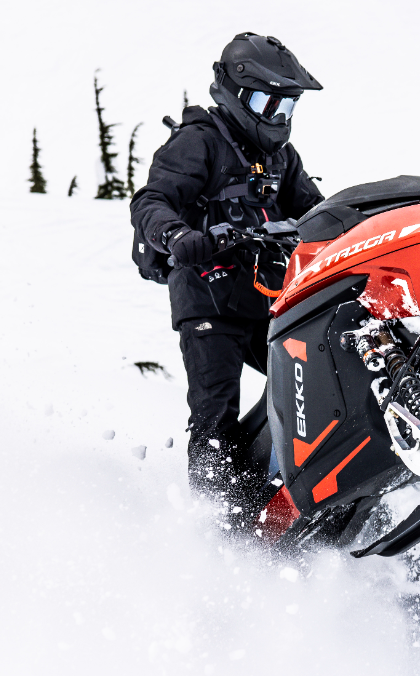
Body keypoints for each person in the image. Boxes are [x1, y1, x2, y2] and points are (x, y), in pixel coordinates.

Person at [130, 32, 324, 502]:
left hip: (266, 298)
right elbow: (151, 201)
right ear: (236, 95)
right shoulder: (198, 141)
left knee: (315, 381)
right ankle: (213, 523)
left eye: (286, 107)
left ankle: (310, 484)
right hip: (207, 296)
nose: (278, 117)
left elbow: (317, 213)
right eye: (266, 103)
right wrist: (179, 236)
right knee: (215, 412)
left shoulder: (280, 157)